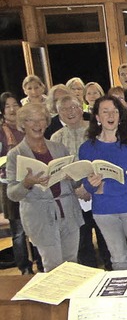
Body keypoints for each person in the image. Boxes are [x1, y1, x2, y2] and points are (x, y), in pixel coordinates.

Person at [6, 103, 83, 272]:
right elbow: (12, 193)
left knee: (72, 263)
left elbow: (75, 183)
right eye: (31, 120)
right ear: (22, 124)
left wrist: (73, 176)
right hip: (40, 217)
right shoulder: (16, 154)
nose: (37, 124)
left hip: (68, 212)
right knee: (53, 266)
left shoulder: (58, 147)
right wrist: (27, 183)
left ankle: (72, 298)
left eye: (41, 119)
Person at [79, 95, 127, 270]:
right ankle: (123, 297)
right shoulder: (87, 148)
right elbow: (87, 185)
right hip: (104, 211)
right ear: (97, 117)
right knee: (118, 260)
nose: (111, 115)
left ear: (120, 116)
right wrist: (93, 185)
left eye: (115, 111)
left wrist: (106, 187)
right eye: (105, 112)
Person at [51, 94, 110, 269]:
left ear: (81, 109)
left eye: (74, 107)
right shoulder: (56, 138)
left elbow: (104, 162)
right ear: (58, 113)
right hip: (72, 198)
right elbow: (56, 170)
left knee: (106, 241)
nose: (70, 112)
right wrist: (76, 188)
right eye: (64, 109)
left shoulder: (96, 132)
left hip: (99, 193)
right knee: (82, 245)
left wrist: (87, 186)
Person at [0, 92, 37, 274]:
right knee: (19, 231)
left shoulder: (27, 128)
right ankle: (24, 268)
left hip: (33, 182)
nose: (13, 109)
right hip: (10, 184)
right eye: (7, 106)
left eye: (15, 104)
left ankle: (40, 262)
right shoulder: (1, 132)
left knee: (36, 226)